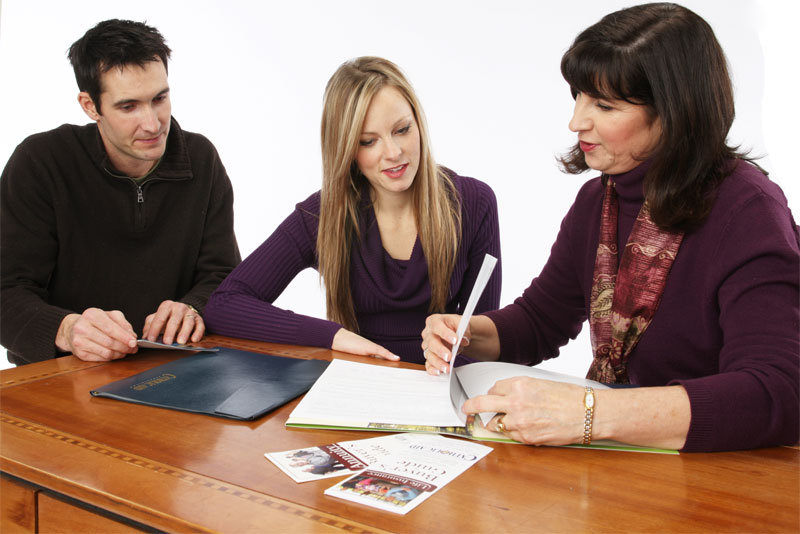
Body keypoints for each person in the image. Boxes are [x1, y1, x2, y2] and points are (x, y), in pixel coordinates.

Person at [421, 3, 799, 452]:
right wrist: (470, 332)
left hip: (718, 472)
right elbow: (542, 320)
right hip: (626, 460)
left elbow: (778, 393)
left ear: (674, 112)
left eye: (604, 104)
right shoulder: (600, 200)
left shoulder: (748, 210)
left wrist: (587, 412)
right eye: (578, 96)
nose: (576, 121)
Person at [204, 57, 500, 364]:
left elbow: (489, 342)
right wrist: (332, 336)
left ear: (418, 122)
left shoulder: (474, 202)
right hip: (356, 387)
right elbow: (225, 304)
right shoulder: (321, 216)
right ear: (346, 150)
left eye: (402, 130)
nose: (394, 152)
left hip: (443, 387)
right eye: (368, 141)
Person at [0, 19, 241, 365]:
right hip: (60, 374)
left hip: (172, 368)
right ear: (90, 105)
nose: (153, 123)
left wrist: (193, 307)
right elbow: (6, 291)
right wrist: (67, 329)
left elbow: (225, 278)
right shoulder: (40, 163)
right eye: (128, 107)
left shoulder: (201, 159)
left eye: (160, 98)